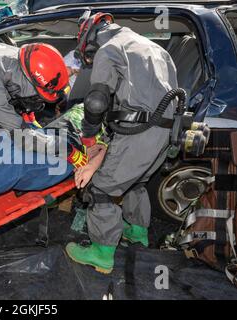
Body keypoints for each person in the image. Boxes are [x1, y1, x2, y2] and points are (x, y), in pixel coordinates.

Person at [65, 11, 178, 274]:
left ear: (90, 35)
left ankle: (101, 253)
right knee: (135, 182)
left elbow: (96, 100)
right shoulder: (156, 48)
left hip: (138, 129)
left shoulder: (110, 48)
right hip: (165, 132)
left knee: (102, 189)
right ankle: (137, 233)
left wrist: (90, 136)